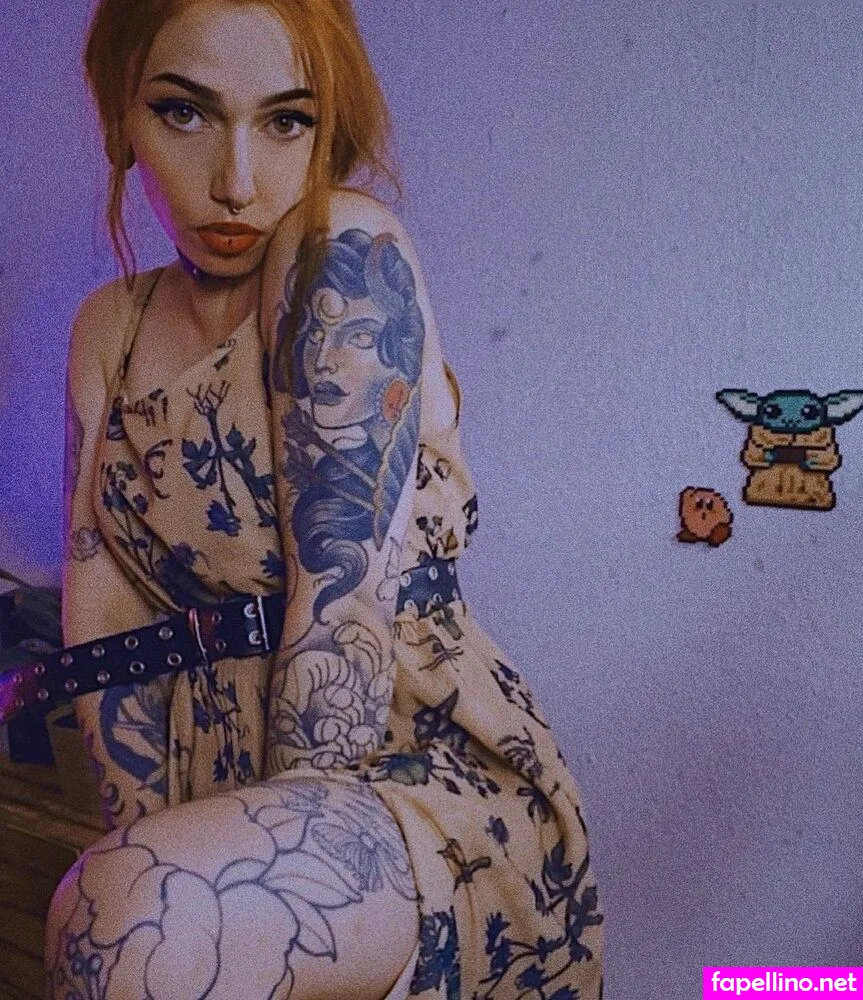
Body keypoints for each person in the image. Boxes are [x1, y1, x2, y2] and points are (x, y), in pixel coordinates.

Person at [43, 1, 604, 997]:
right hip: (208, 759)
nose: (235, 179)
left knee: (132, 916)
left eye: (286, 121)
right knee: (123, 911)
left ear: (329, 126)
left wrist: (172, 888)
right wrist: (141, 835)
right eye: (183, 112)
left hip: (401, 764)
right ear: (121, 115)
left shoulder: (337, 249)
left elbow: (339, 600)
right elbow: (107, 614)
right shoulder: (108, 327)